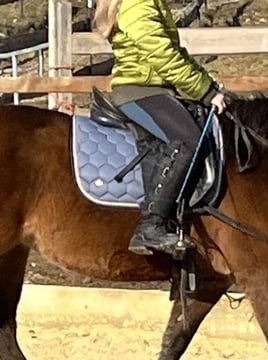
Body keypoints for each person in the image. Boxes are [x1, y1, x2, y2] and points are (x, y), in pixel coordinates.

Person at [93, 0, 226, 255]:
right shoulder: (137, 3)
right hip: (141, 90)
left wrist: (208, 83)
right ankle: (151, 225)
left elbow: (175, 52)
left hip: (153, 88)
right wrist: (205, 91)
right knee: (189, 141)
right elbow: (162, 55)